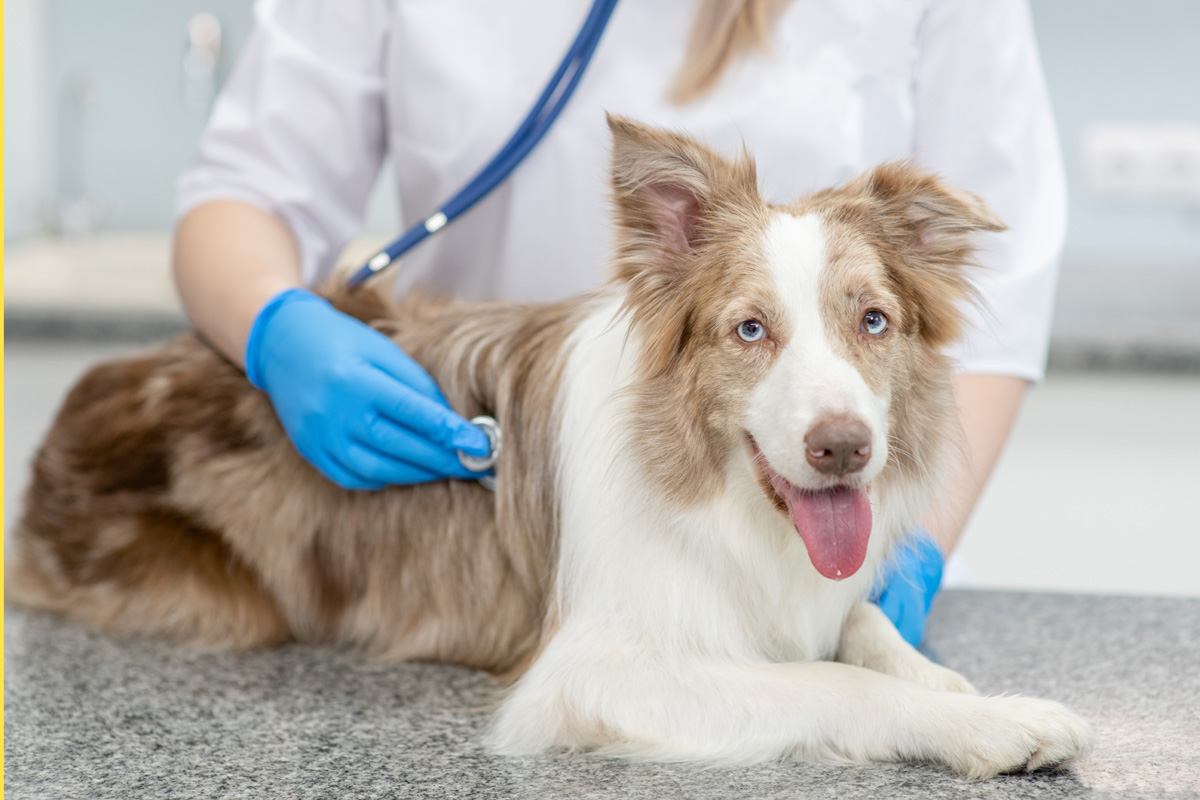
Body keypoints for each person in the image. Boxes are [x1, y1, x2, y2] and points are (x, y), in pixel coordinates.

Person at [172, 0, 1065, 646]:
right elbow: (243, 190)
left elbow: (1001, 283)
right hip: (485, 486)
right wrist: (275, 327)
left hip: (824, 524)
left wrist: (911, 552)